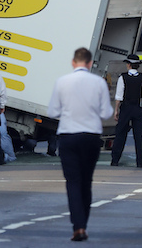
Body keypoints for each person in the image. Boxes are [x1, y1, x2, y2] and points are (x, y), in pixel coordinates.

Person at [47, 47, 113, 242]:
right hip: (91, 136)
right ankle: (83, 223)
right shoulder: (98, 82)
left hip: (68, 135)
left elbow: (52, 112)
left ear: (73, 62)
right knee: (86, 181)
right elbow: (106, 113)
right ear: (90, 63)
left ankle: (78, 226)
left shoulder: (62, 82)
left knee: (73, 182)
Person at [111, 54, 142, 168]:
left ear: (128, 65)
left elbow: (119, 97)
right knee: (138, 136)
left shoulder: (122, 78)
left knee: (120, 134)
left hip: (126, 108)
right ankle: (140, 161)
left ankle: (115, 159)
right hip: (138, 108)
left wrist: (116, 111)